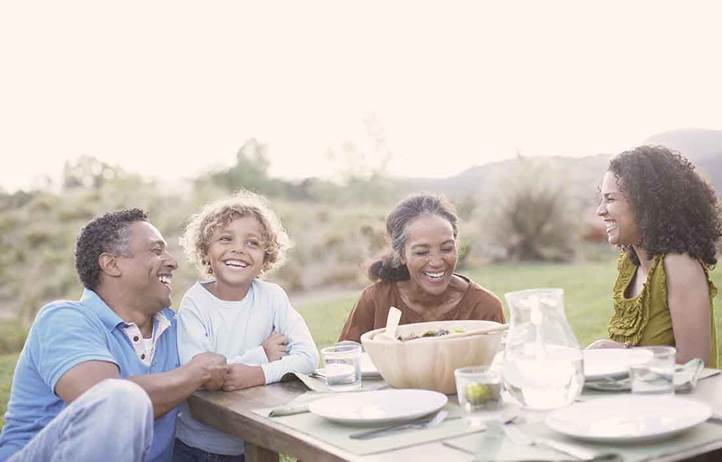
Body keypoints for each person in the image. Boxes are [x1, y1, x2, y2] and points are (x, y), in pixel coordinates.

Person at [0, 209, 228, 462]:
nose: (173, 262)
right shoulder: (65, 320)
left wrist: (267, 352)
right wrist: (196, 372)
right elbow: (103, 400)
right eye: (156, 250)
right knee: (120, 397)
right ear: (111, 264)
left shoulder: (178, 327)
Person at [174, 191, 319, 461]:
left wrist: (259, 373)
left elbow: (308, 357)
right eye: (225, 239)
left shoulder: (272, 296)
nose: (238, 249)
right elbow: (202, 376)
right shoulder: (195, 303)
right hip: (199, 446)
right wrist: (261, 355)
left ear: (266, 257)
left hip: (255, 439)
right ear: (206, 250)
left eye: (252, 243)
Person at [589, 145, 721, 367]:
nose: (600, 211)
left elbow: (695, 366)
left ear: (646, 204)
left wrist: (619, 353)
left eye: (610, 199)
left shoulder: (679, 266)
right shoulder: (630, 265)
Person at [338, 193, 505, 343]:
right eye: (422, 252)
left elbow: (499, 367)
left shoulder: (484, 307)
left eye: (446, 248)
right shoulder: (375, 301)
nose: (436, 262)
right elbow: (345, 361)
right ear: (401, 255)